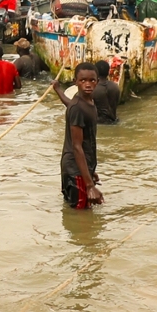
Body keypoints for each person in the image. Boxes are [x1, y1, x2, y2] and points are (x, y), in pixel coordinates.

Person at [51, 63, 103, 209]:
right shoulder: (78, 108)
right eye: (83, 81)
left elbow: (70, 104)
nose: (88, 84)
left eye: (92, 80)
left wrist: (90, 170)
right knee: (82, 219)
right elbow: (77, 146)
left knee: (77, 210)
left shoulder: (86, 101)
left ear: (97, 81)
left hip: (79, 167)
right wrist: (89, 185)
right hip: (75, 169)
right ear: (75, 82)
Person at [92, 60, 120, 124]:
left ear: (95, 72)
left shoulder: (93, 89)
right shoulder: (115, 87)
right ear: (108, 72)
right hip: (114, 121)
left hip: (99, 123)